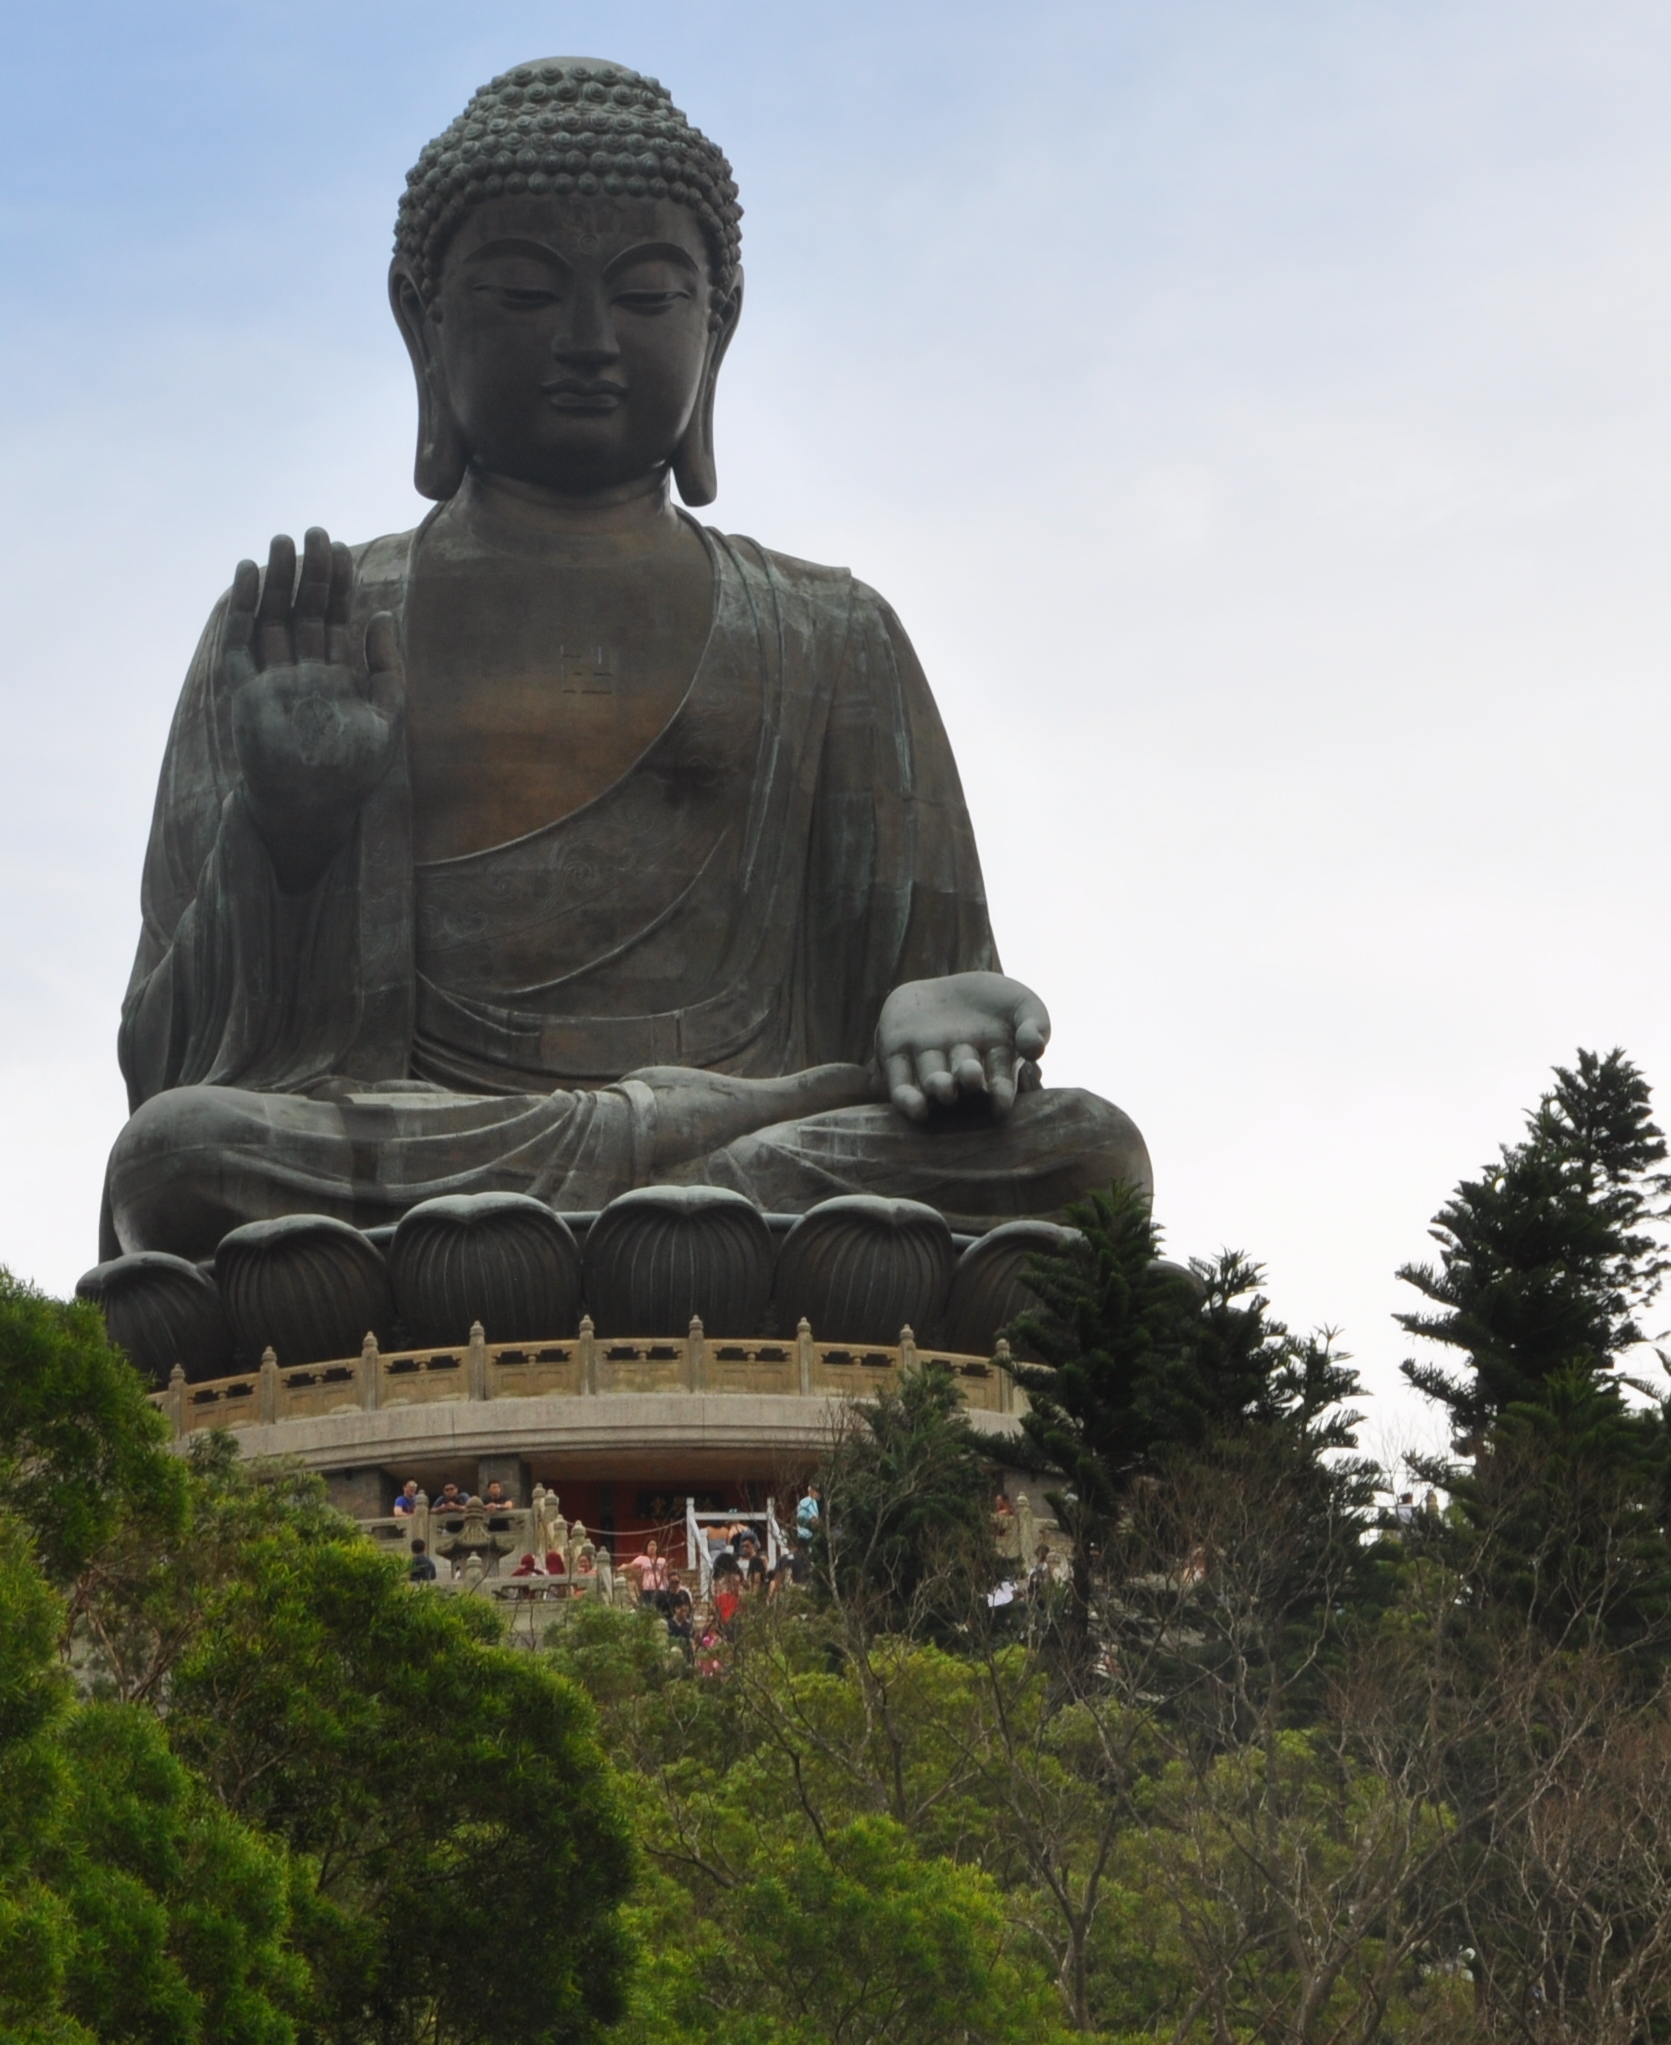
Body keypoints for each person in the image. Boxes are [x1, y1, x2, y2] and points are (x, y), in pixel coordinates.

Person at [96, 61, 1153, 1260]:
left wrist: (935, 1012)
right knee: (181, 1157)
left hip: (760, 1142)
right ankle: (637, 1230)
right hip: (428, 1152)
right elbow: (165, 1066)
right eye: (521, 295)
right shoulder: (306, 628)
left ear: (721, 320)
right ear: (423, 323)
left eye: (648, 297)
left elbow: (933, 997)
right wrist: (286, 834)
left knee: (1089, 1156)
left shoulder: (827, 631)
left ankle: (629, 1224)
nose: (590, 343)